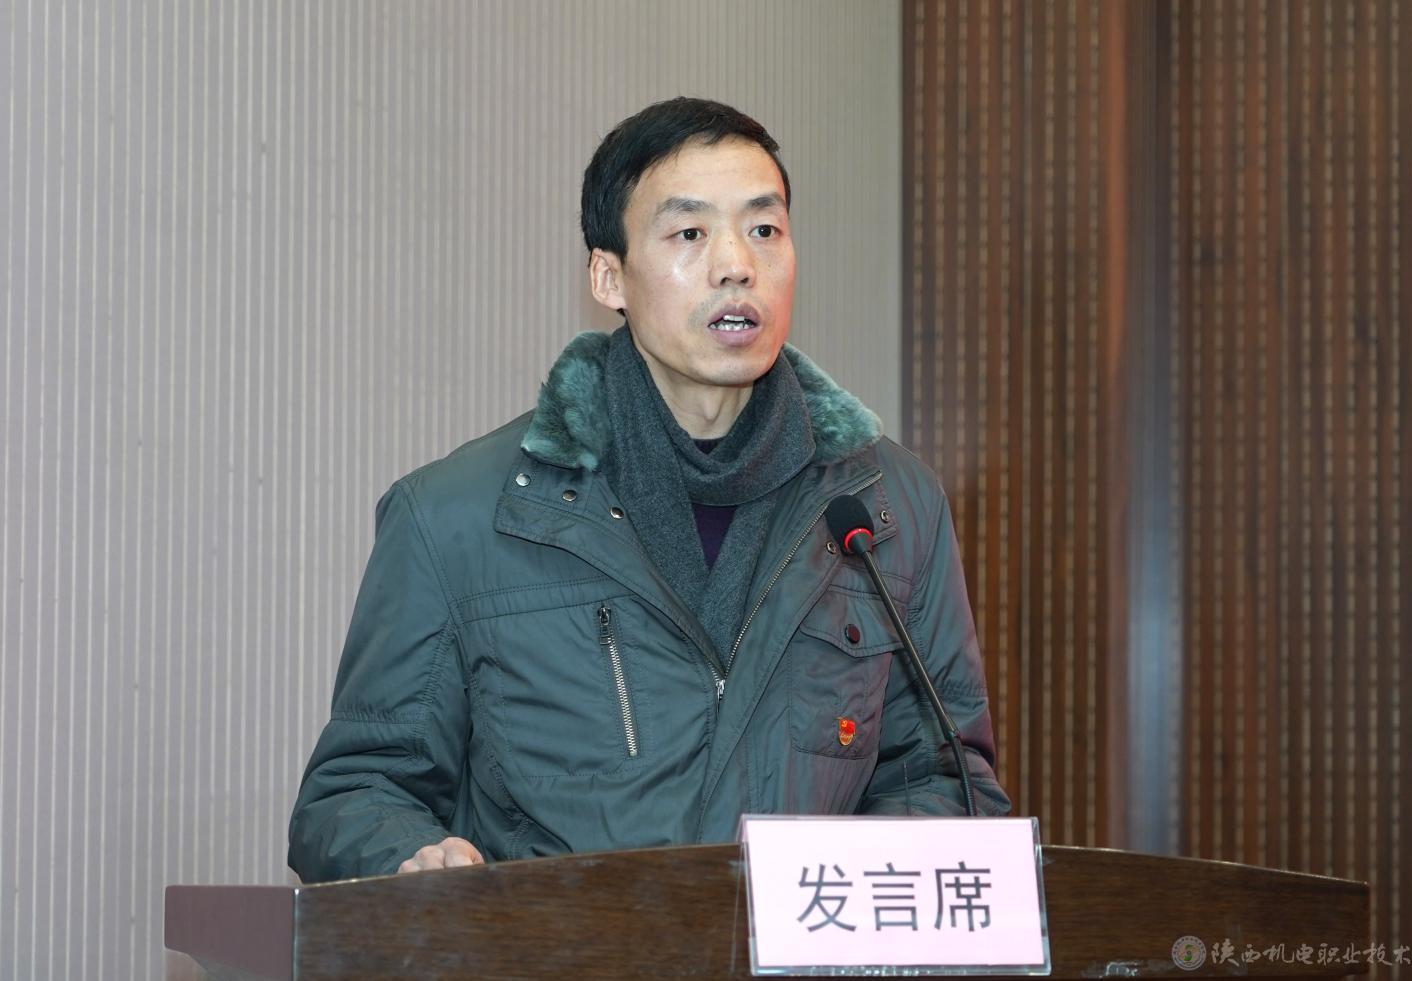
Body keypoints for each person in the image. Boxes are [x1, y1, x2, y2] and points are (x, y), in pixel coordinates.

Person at [287, 97, 1010, 883]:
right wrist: (412, 858)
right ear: (609, 276)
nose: (736, 265)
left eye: (764, 229)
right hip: (566, 946)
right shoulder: (458, 517)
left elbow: (945, 780)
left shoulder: (886, 506)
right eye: (690, 233)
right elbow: (356, 792)